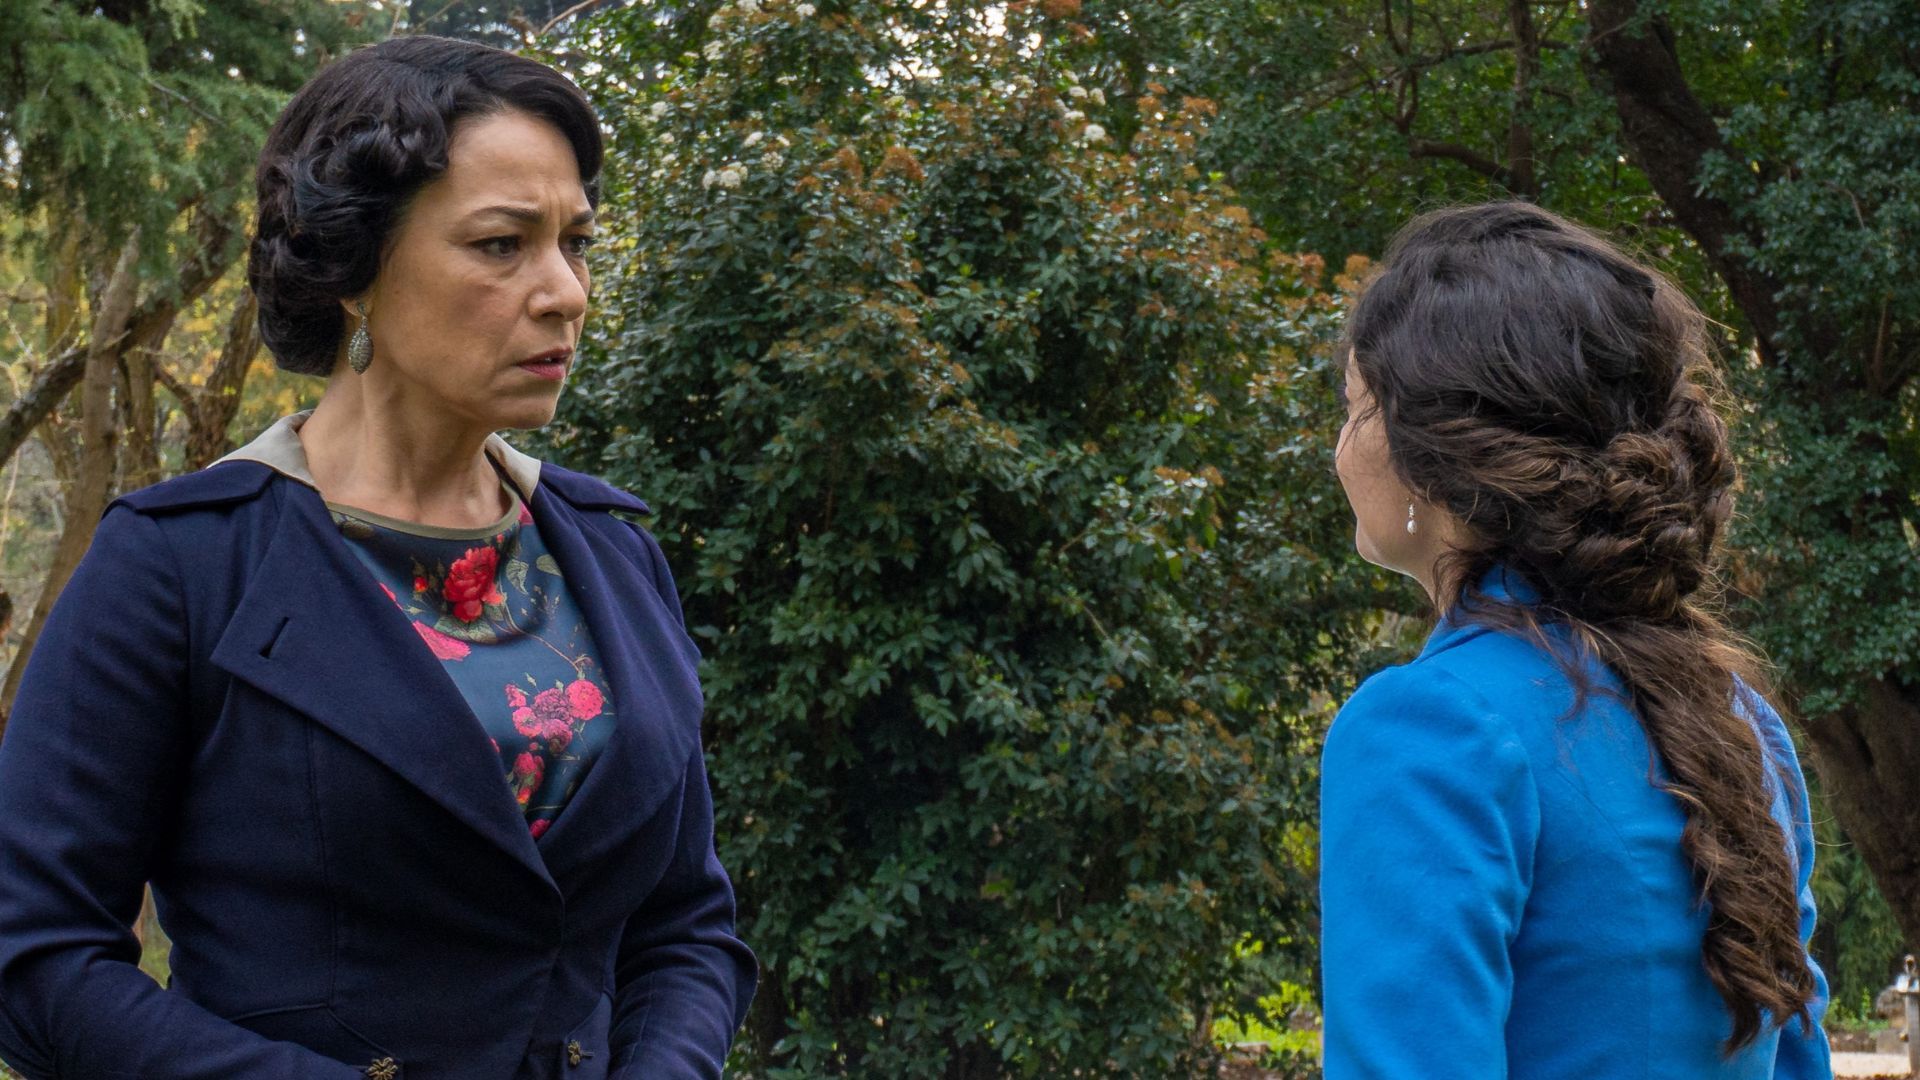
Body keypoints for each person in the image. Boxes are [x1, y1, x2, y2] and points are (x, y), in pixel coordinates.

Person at [0, 37, 755, 1079]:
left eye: (575, 242)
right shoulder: (178, 567)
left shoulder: (616, 553)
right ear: (352, 268)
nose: (565, 292)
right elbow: (36, 960)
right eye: (502, 244)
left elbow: (684, 926)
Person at [1320, 202, 1832, 1077]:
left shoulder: (1431, 727)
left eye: (1355, 408)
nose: (1340, 448)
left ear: (1434, 454)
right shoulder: (1741, 722)